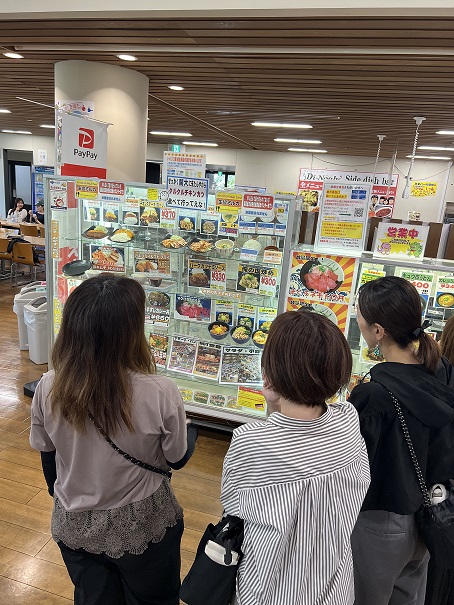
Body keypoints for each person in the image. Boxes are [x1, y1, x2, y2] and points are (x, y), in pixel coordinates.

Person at [30, 275, 197, 605]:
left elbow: (47, 456)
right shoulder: (161, 391)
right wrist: (190, 432)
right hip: (142, 523)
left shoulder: (48, 386)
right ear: (132, 332)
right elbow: (176, 457)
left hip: (75, 522)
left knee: (93, 598)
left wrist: (64, 494)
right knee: (154, 599)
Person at [221, 310, 370, 605]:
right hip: (333, 585)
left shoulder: (250, 441)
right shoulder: (348, 419)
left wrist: (273, 404)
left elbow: (233, 508)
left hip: (269, 589)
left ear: (270, 373)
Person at [350, 276, 454, 605]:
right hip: (431, 516)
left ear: (378, 331)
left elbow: (354, 469)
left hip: (380, 521)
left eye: (359, 315)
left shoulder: (373, 395)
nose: (357, 319)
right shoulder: (442, 369)